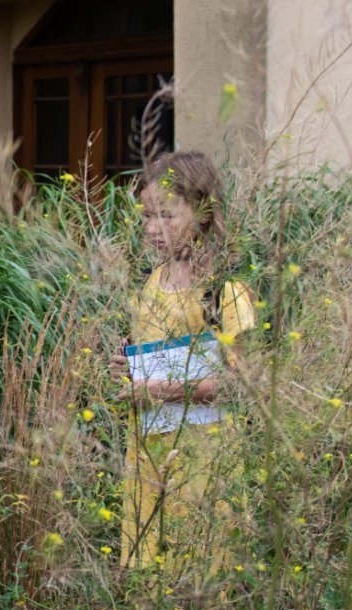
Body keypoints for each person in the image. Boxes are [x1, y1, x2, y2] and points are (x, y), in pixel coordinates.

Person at [106, 150, 258, 569]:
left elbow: (237, 384)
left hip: (202, 456)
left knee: (197, 570)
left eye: (168, 216)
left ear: (204, 213)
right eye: (146, 216)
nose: (154, 229)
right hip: (150, 452)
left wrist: (156, 390)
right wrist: (126, 367)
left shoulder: (225, 287)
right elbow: (148, 351)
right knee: (147, 572)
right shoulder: (153, 280)